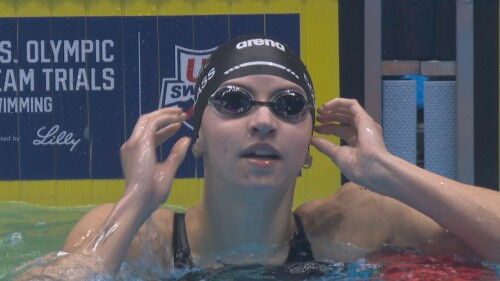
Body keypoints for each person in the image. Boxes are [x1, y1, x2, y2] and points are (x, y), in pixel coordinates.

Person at [15, 34, 500, 280]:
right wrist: (135, 200)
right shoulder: (146, 239)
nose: (264, 121)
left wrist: (387, 171)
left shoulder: (353, 223)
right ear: (197, 135)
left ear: (308, 147)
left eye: (289, 107)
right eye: (233, 102)